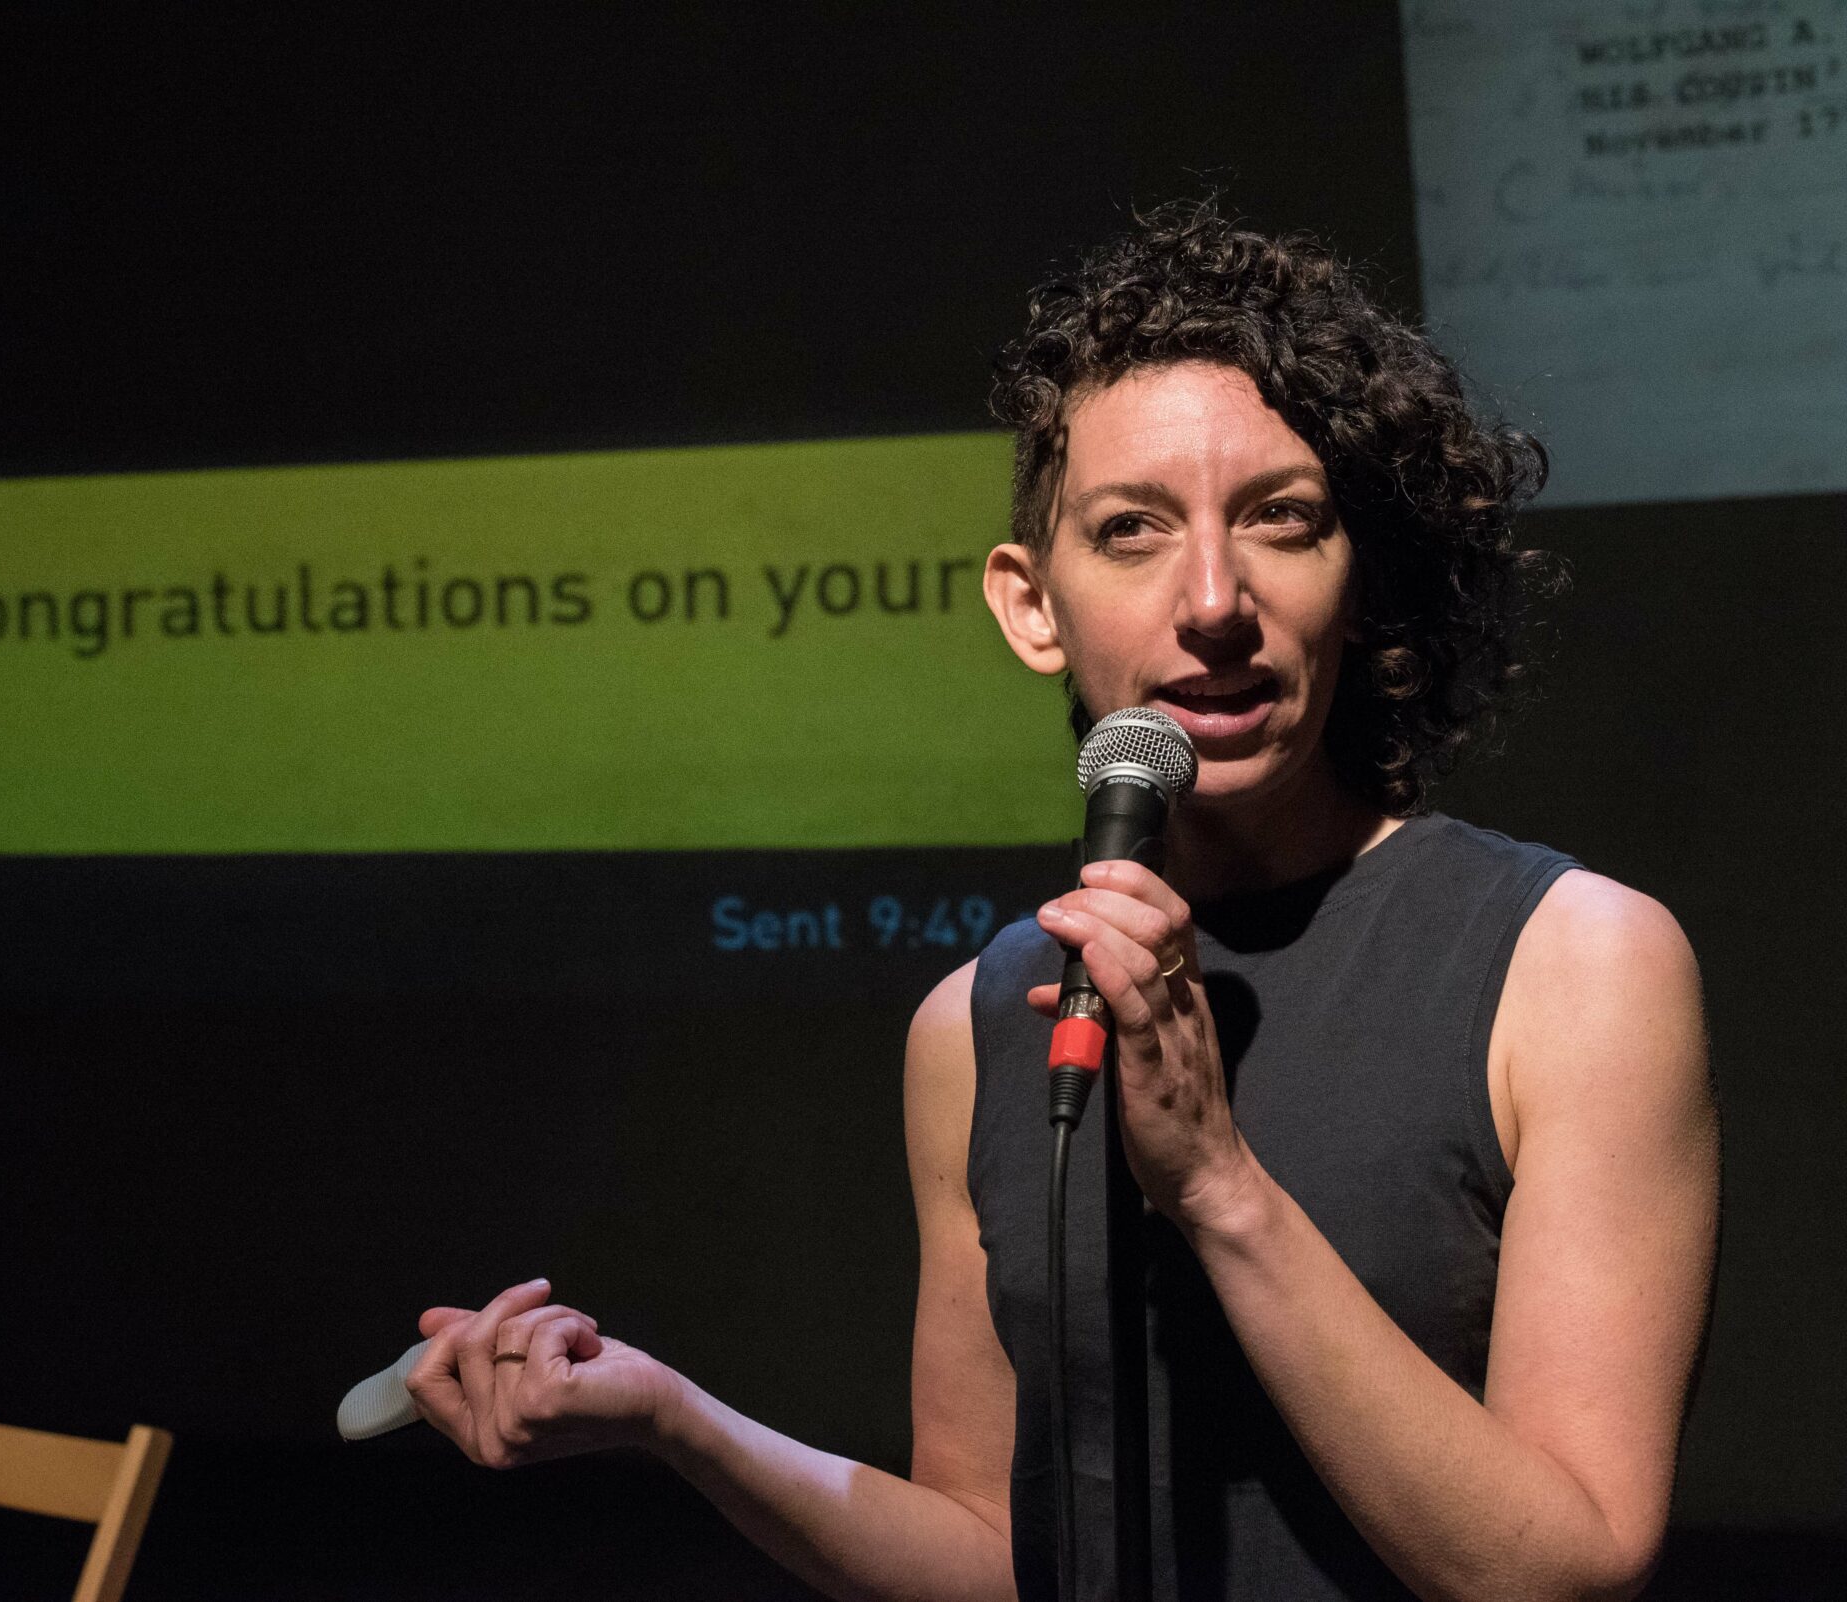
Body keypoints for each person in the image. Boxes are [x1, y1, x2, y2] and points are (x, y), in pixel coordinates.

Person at [402, 203, 1719, 1601]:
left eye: (1280, 518)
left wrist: (1219, 1188)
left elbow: (1566, 1569)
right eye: (1131, 530)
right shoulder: (975, 1023)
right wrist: (676, 1421)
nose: (1213, 598)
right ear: (1033, 607)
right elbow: (996, 1551)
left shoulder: (1575, 965)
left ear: (1362, 575)